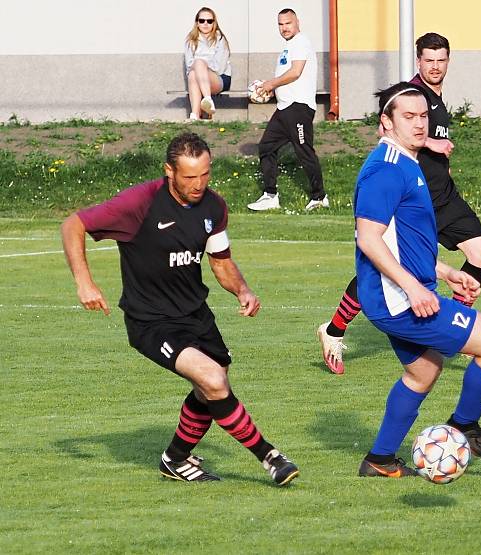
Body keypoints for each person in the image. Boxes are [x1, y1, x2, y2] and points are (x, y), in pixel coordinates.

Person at [61, 132, 299, 486]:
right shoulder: (140, 203)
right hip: (151, 321)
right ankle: (270, 457)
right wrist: (84, 282)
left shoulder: (214, 207)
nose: (198, 184)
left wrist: (242, 290)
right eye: (189, 176)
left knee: (212, 387)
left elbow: (220, 262)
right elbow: (73, 224)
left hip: (196, 315)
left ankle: (175, 459)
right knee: (213, 380)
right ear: (168, 171)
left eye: (205, 174)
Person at [354, 83, 481, 478]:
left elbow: (403, 239)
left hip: (397, 295)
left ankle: (380, 460)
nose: (419, 123)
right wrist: (413, 288)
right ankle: (464, 426)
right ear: (385, 123)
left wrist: (444, 271)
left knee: (423, 371)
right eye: (408, 117)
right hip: (398, 300)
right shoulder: (386, 169)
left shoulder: (408, 162)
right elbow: (369, 239)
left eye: (423, 115)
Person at [316, 33, 481, 375]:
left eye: (441, 60)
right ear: (419, 61)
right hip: (412, 198)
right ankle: (335, 328)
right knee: (381, 264)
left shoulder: (436, 100)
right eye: (429, 60)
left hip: (443, 195)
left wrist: (441, 160)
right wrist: (430, 143)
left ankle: (453, 330)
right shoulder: (412, 96)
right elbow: (390, 130)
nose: (435, 66)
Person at [247, 8, 329, 212]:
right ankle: (270, 195)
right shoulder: (288, 46)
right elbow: (287, 77)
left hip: (298, 108)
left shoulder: (301, 42)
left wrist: (270, 84)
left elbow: (295, 72)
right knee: (266, 147)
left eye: (288, 23)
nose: (284, 28)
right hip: (284, 108)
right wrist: (270, 92)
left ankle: (320, 197)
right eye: (280, 24)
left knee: (304, 151)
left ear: (297, 22)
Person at [184, 6, 232, 121]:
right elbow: (189, 65)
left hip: (219, 78)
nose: (205, 24)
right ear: (197, 23)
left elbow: (219, 68)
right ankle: (195, 115)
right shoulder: (191, 40)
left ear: (214, 23)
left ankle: (207, 99)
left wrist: (203, 64)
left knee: (199, 63)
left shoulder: (220, 39)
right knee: (192, 74)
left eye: (209, 21)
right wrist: (200, 66)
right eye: (202, 21)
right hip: (197, 77)